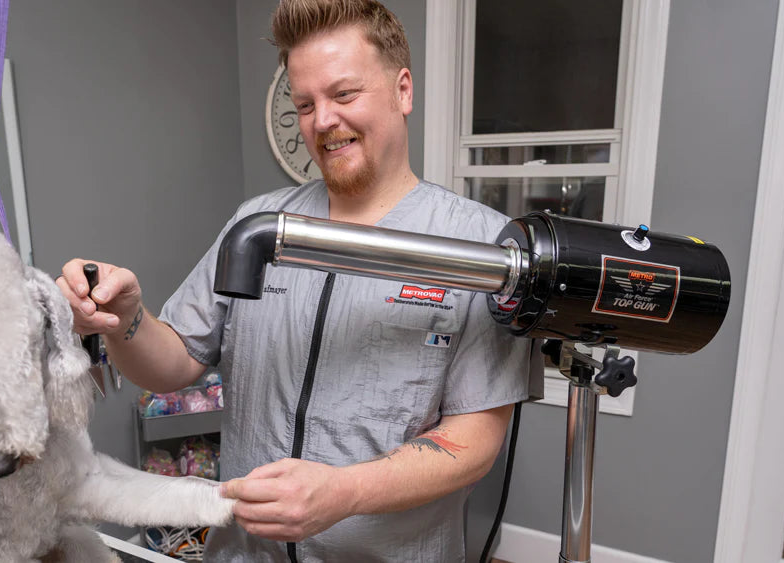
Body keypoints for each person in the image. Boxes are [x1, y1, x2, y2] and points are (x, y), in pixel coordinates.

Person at [56, 0, 543, 560]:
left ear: (403, 91)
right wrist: (127, 322)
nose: (323, 122)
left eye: (344, 94)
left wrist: (345, 491)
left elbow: (474, 440)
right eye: (305, 104)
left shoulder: (481, 248)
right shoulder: (256, 225)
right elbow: (174, 366)